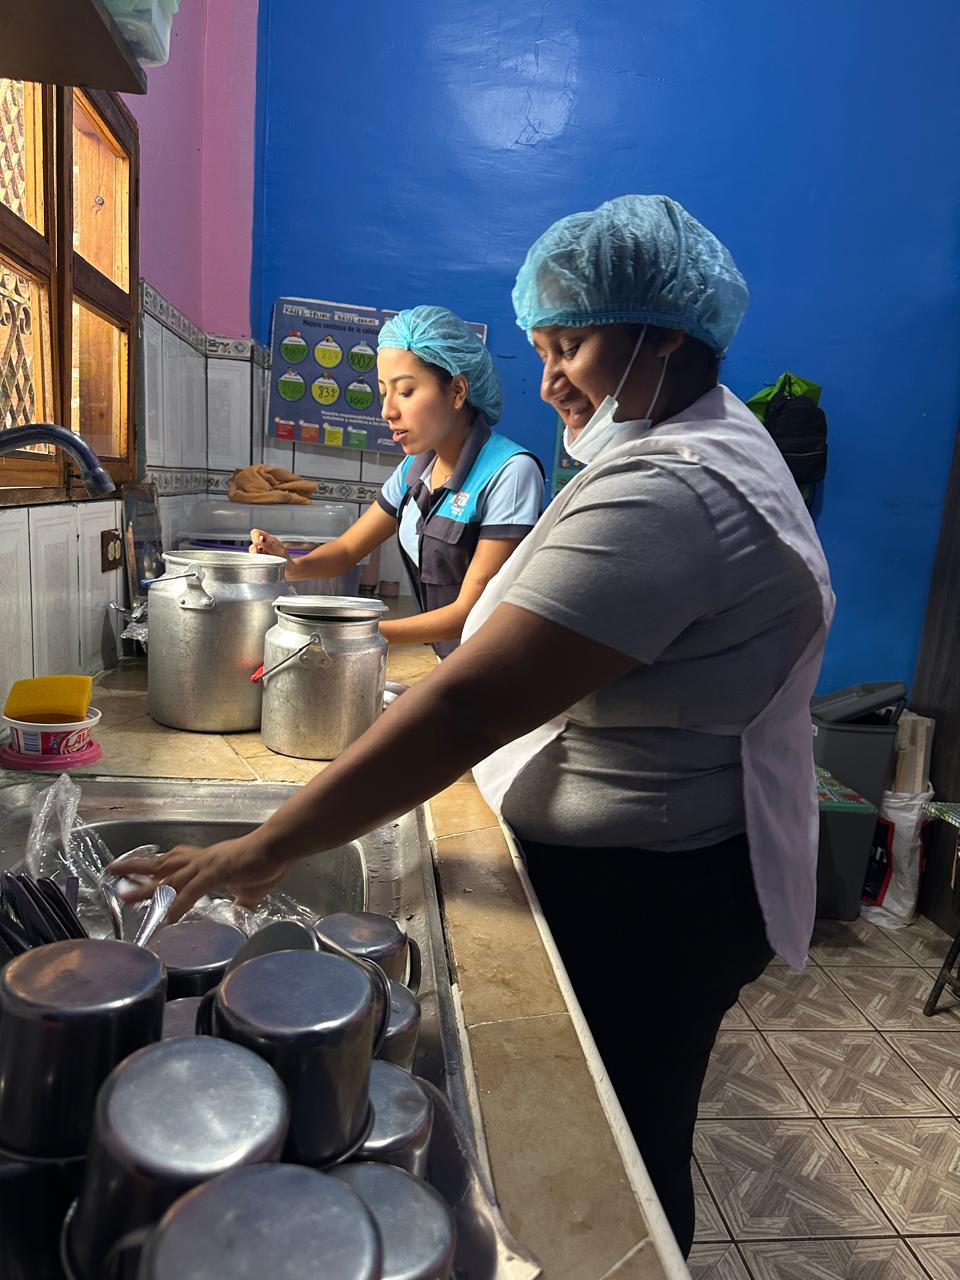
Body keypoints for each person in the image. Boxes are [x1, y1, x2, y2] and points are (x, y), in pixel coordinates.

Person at [112, 196, 833, 1258]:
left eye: (569, 347)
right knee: (624, 1139)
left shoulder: (674, 490)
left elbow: (466, 704)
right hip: (657, 861)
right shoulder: (683, 447)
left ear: (664, 335)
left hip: (654, 894)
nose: (548, 381)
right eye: (540, 350)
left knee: (621, 1166)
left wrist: (263, 847)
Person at [249, 305, 544, 656]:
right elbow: (346, 551)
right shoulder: (414, 469)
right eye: (383, 392)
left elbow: (469, 612)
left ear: (457, 391)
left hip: (502, 666)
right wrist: (289, 566)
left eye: (404, 391)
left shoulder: (511, 471)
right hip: (453, 659)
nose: (387, 411)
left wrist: (348, 630)